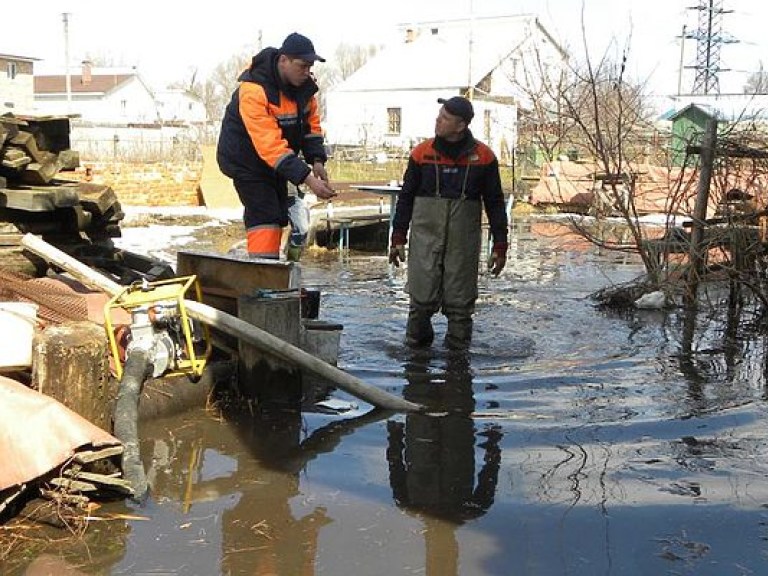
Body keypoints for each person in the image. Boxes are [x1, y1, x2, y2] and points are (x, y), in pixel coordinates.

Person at [388, 96, 508, 350]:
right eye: (439, 115)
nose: (437, 121)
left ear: (460, 125)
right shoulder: (421, 154)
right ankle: (416, 359)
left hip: (463, 243)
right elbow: (406, 198)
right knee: (420, 301)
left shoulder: (484, 157)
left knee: (460, 305)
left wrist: (500, 245)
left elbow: (495, 203)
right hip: (425, 238)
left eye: (444, 118)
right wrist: (398, 237)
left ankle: (458, 364)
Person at [217, 32, 336, 259]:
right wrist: (308, 179)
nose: (307, 72)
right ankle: (264, 274)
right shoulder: (253, 90)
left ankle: (282, 269)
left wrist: (317, 160)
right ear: (283, 61)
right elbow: (269, 144)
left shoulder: (305, 89)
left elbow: (311, 126)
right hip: (245, 160)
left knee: (283, 215)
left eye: (310, 66)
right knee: (265, 214)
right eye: (302, 66)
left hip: (276, 162)